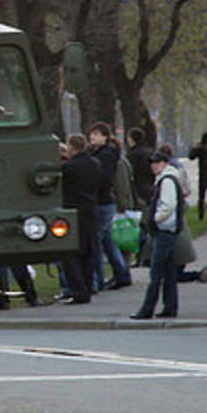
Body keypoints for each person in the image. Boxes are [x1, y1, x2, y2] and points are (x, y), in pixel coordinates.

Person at [131, 152, 185, 319]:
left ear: (165, 163)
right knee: (168, 273)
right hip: (169, 230)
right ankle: (170, 307)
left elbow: (168, 205)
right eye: (153, 163)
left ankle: (147, 309)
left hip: (164, 230)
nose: (154, 165)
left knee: (156, 273)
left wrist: (154, 219)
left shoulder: (166, 180)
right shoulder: (169, 178)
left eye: (157, 162)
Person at [88, 122, 132, 290]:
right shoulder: (102, 153)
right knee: (108, 242)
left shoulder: (105, 155)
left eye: (96, 134)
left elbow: (104, 178)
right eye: (92, 134)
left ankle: (98, 279)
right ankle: (122, 273)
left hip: (102, 201)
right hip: (105, 201)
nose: (92, 137)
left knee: (96, 242)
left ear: (105, 137)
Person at [59, 133, 99, 305]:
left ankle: (78, 291)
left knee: (71, 254)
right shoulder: (95, 164)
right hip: (90, 209)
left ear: (71, 147)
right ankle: (88, 286)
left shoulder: (69, 168)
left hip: (73, 210)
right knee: (88, 252)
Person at [126, 128, 153, 266]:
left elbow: (130, 174)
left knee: (139, 225)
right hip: (150, 189)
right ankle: (148, 254)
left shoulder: (133, 155)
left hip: (138, 190)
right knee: (148, 224)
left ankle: (141, 255)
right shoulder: (149, 152)